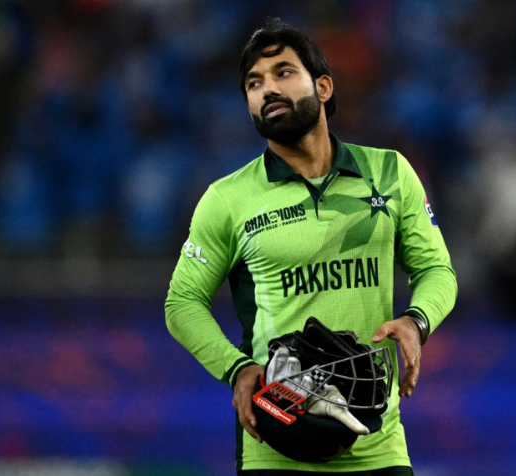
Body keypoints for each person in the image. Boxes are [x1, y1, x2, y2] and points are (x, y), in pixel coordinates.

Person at [164, 19, 457, 475]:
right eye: (254, 83)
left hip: (378, 445)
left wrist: (416, 322)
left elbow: (437, 269)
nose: (268, 89)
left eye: (283, 73)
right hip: (276, 442)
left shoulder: (389, 173)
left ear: (323, 87)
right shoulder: (227, 199)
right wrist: (236, 369)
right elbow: (182, 301)